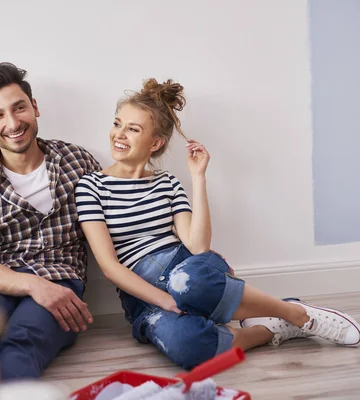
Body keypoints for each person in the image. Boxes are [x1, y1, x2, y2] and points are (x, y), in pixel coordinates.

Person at [75, 78, 360, 369]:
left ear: (156, 142)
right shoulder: (91, 186)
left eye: (133, 129)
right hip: (142, 294)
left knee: (186, 282)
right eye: (117, 123)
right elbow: (110, 266)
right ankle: (269, 329)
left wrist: (199, 177)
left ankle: (296, 314)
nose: (118, 134)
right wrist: (164, 300)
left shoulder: (168, 183)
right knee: (187, 346)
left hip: (186, 270)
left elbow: (197, 246)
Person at [0, 62, 101, 382]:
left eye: (19, 108)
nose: (13, 123)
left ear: (35, 107)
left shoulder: (79, 162)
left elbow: (119, 229)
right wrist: (35, 285)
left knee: (20, 347)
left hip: (61, 283)